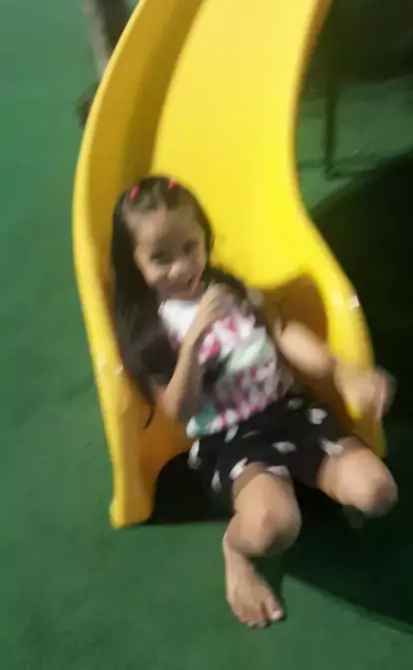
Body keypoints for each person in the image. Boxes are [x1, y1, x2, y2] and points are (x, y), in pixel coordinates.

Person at [111, 176, 397, 628]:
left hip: (289, 412)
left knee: (378, 493)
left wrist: (345, 373)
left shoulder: (229, 288)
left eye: (189, 246)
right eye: (160, 257)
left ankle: (317, 481)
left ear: (204, 236)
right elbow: (178, 410)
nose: (182, 267)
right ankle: (235, 550)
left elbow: (282, 332)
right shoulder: (153, 329)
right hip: (231, 441)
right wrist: (195, 339)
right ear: (135, 264)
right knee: (273, 527)